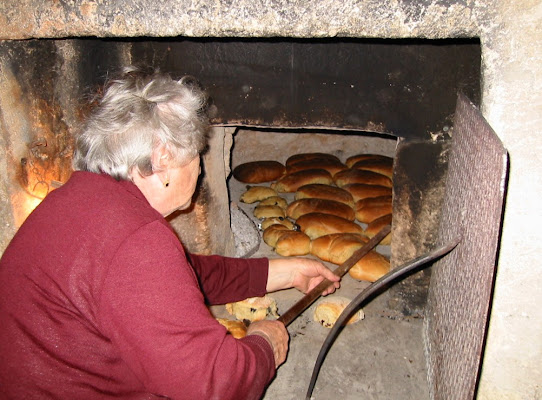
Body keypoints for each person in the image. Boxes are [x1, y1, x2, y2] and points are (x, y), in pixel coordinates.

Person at [0, 65, 340, 400]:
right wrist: (264, 344)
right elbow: (217, 385)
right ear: (162, 157)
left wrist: (283, 272)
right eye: (197, 155)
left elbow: (176, 278)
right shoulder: (135, 240)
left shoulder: (75, 201)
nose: (200, 167)